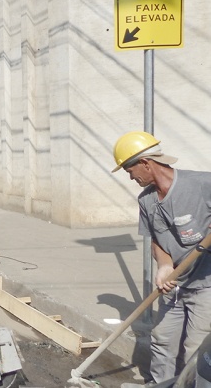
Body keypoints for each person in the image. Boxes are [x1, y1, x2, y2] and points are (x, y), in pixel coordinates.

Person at [112, 131, 211, 383]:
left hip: (206, 285)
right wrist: (164, 265)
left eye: (130, 170)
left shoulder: (201, 184)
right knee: (162, 340)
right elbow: (157, 239)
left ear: (145, 163)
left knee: (195, 349)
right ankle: (160, 383)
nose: (131, 177)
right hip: (174, 285)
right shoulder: (146, 201)